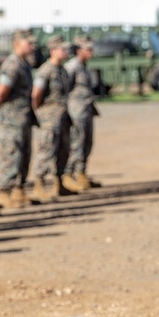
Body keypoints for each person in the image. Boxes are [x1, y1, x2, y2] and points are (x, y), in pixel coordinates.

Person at [0, 29, 37, 210]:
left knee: (23, 155)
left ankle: (18, 190)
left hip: (22, 118)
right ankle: (4, 193)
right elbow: (1, 93)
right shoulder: (12, 64)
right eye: (29, 43)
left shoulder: (24, 63)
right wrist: (1, 109)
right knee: (10, 155)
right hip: (11, 120)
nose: (32, 46)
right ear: (18, 43)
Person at [30, 34, 72, 202]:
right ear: (53, 51)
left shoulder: (62, 70)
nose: (66, 51)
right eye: (63, 49)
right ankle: (39, 184)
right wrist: (44, 114)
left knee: (63, 150)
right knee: (46, 151)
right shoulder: (45, 70)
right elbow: (36, 96)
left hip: (62, 118)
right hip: (49, 120)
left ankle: (58, 183)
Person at [63, 34, 99, 192]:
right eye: (88, 49)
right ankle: (68, 175)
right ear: (78, 50)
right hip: (75, 112)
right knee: (75, 144)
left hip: (86, 111)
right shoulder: (72, 67)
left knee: (86, 143)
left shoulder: (84, 66)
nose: (91, 51)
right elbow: (65, 90)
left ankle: (81, 173)